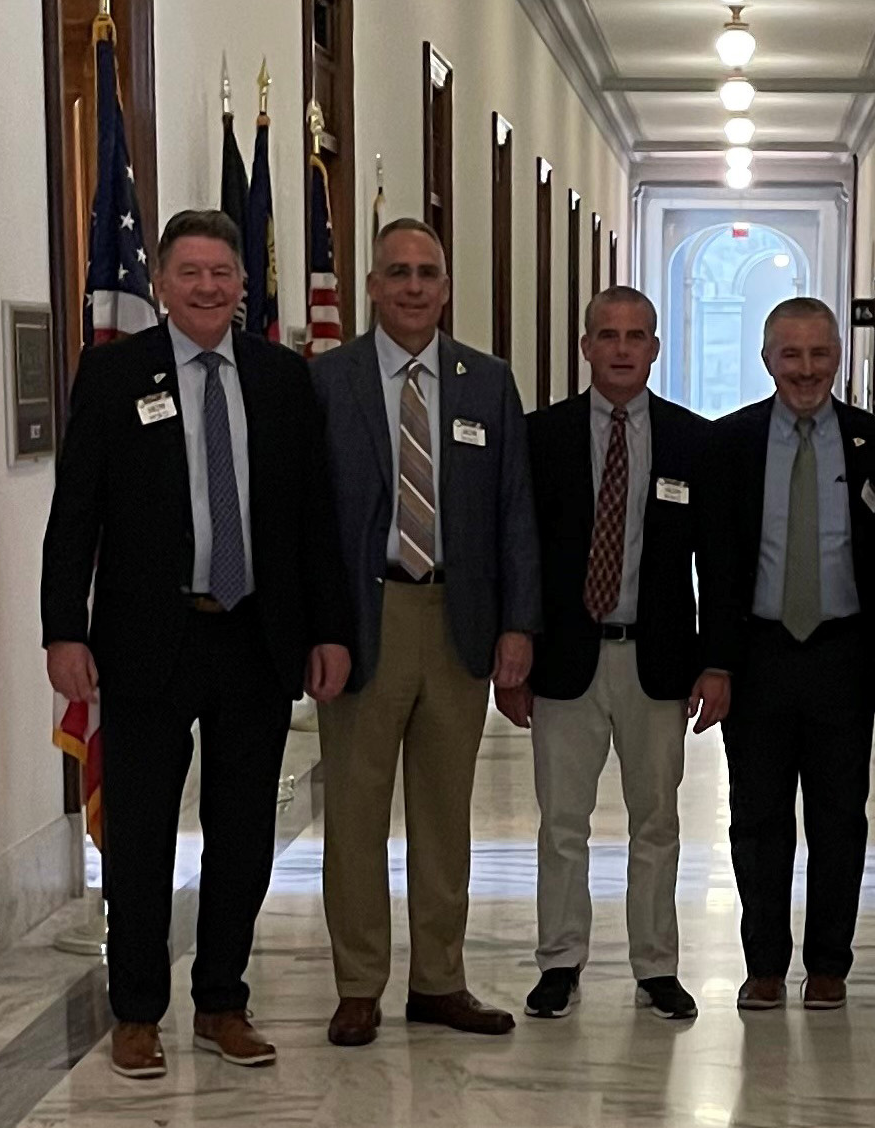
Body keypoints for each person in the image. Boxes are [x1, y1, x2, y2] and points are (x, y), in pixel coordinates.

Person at [41, 209, 351, 1078]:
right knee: (139, 834)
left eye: (223, 272)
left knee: (245, 831)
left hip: (255, 636)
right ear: (164, 284)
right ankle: (136, 1011)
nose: (209, 287)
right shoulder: (112, 376)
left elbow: (310, 522)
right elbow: (74, 517)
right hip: (147, 642)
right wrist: (63, 629)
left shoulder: (284, 380)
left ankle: (222, 1000)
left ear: (243, 284)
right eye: (191, 272)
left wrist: (326, 630)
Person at [311, 217, 541, 1045]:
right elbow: (305, 521)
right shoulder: (327, 380)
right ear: (371, 286)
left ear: (447, 288)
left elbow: (515, 510)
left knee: (446, 816)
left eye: (428, 273)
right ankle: (359, 984)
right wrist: (319, 628)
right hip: (363, 622)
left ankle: (440, 980)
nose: (413, 286)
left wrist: (518, 627)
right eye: (397, 272)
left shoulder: (486, 382)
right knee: (357, 812)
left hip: (458, 623)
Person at [494, 285, 728, 1021]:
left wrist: (715, 661)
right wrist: (517, 644)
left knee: (655, 821)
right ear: (586, 345)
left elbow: (716, 566)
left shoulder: (695, 441)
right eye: (608, 335)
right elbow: (518, 549)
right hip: (564, 658)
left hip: (656, 659)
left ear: (655, 348)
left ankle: (656, 965)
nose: (622, 348)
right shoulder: (541, 437)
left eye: (636, 336)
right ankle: (559, 961)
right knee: (562, 822)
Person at [698, 297, 875, 1011]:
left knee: (840, 816)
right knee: (757, 818)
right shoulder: (730, 445)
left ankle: (829, 964)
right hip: (759, 655)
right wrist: (714, 661)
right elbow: (715, 565)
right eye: (791, 355)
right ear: (767, 359)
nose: (806, 370)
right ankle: (764, 964)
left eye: (819, 354)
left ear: (838, 356)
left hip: (844, 654)